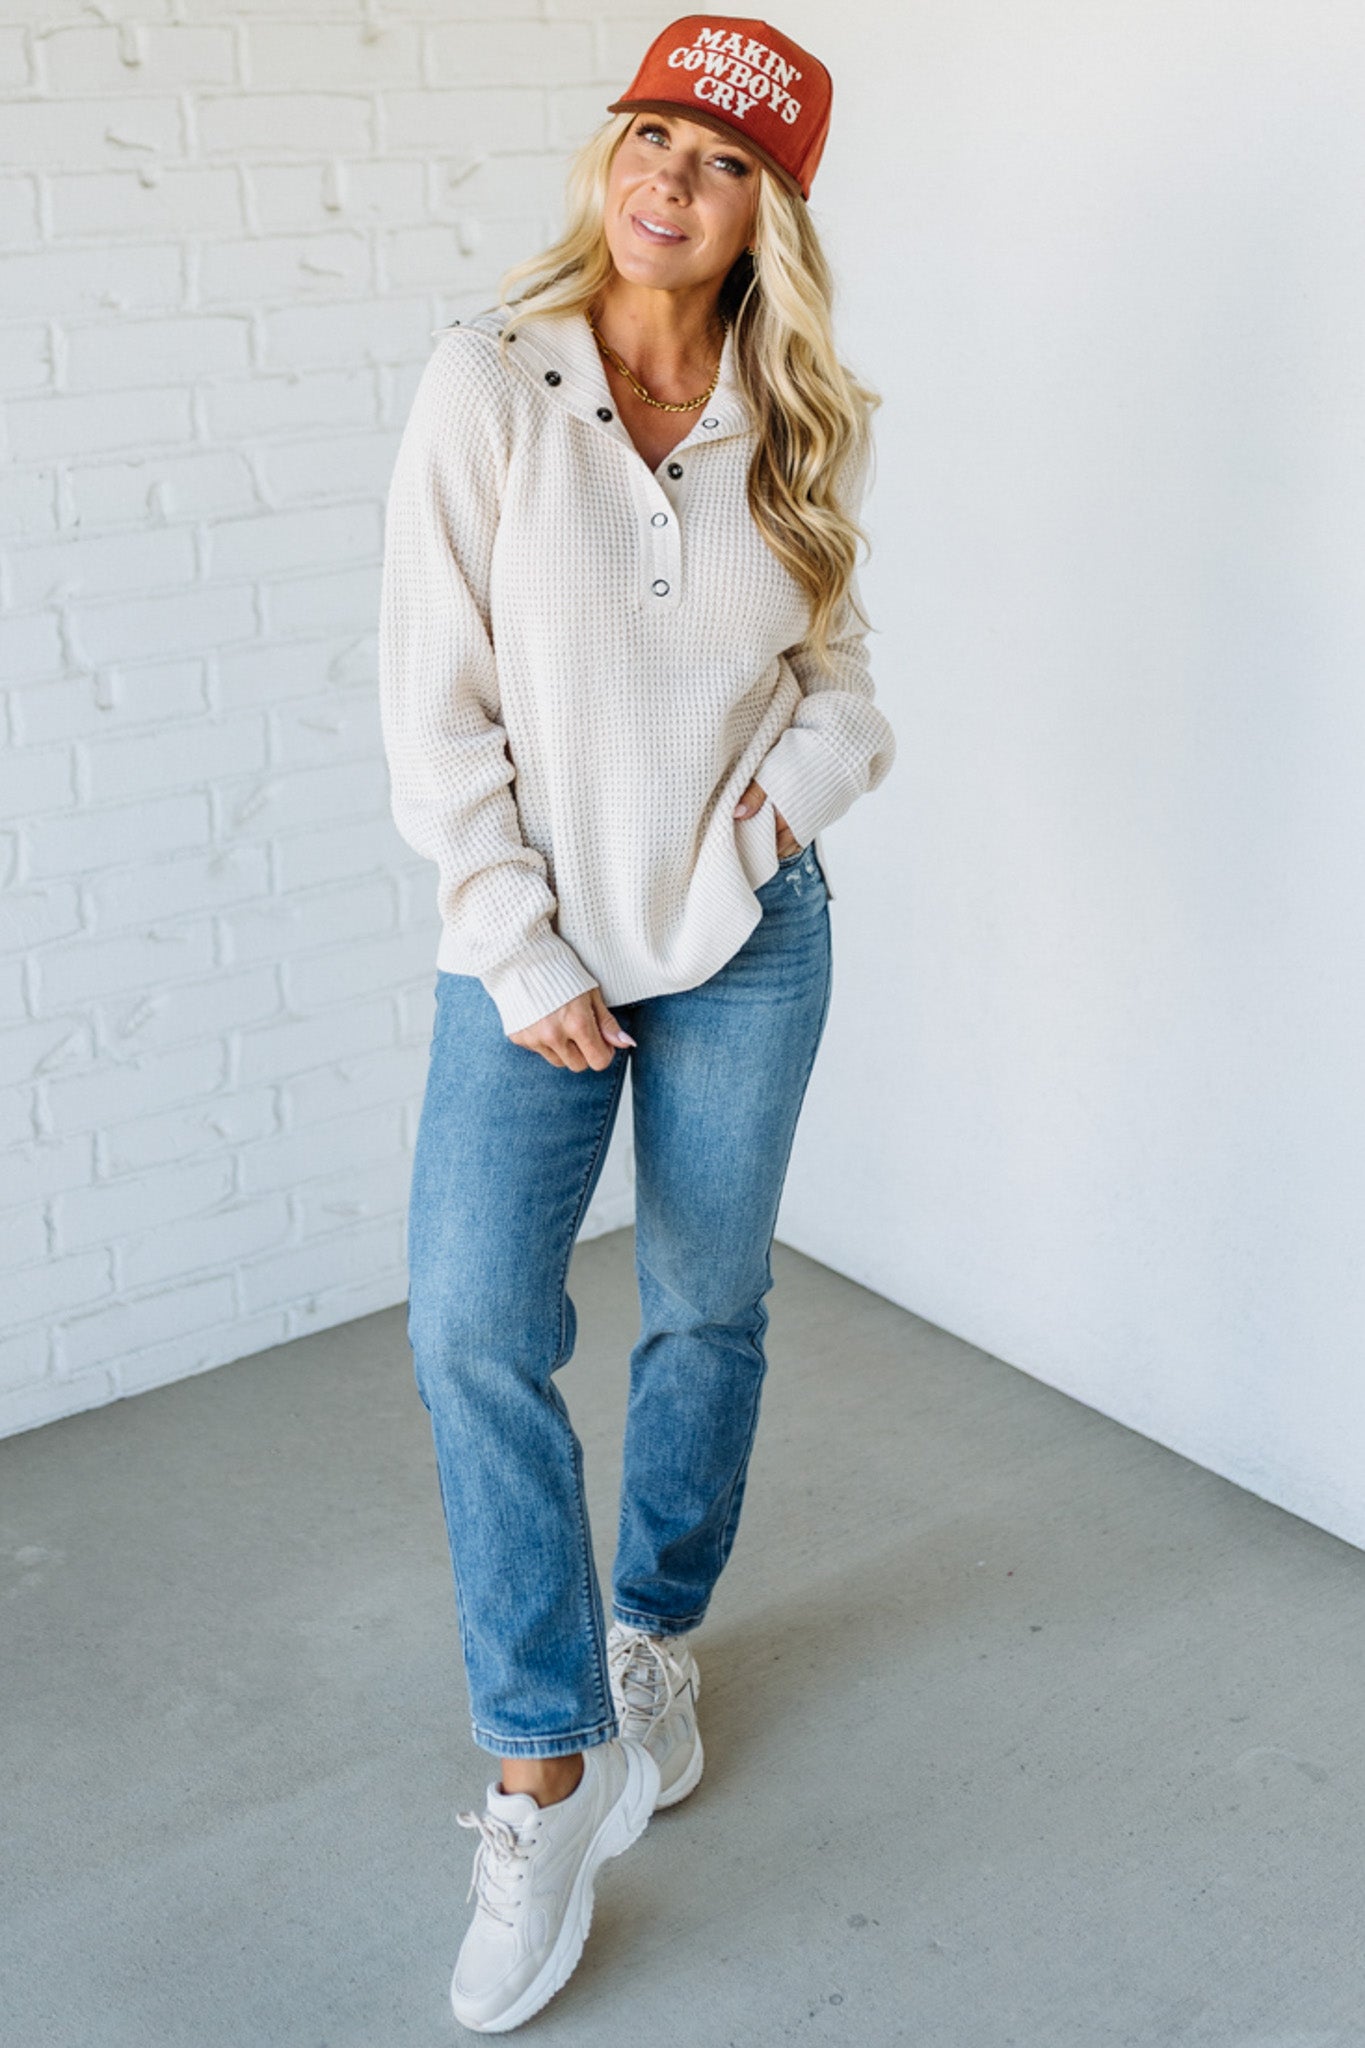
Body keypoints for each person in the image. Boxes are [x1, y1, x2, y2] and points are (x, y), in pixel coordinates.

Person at [378, 13, 896, 2032]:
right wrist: (522, 953)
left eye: (715, 160)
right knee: (467, 1318)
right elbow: (437, 718)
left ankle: (647, 1635)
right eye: (648, 134)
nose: (663, 177)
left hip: (749, 935)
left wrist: (767, 819)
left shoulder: (795, 416)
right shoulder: (484, 384)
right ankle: (542, 1756)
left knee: (705, 1305)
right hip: (534, 947)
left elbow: (845, 679)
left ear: (767, 212)